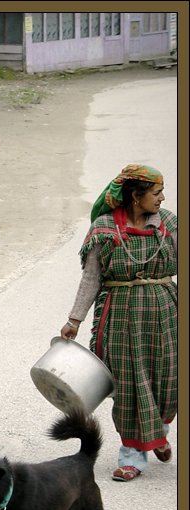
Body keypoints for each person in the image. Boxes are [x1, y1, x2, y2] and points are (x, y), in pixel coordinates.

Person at [60, 164, 177, 482]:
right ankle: (132, 456)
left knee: (168, 384)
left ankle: (159, 432)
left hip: (166, 314)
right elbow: (92, 278)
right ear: (136, 197)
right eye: (156, 193)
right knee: (128, 388)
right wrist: (75, 319)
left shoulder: (168, 224)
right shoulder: (104, 228)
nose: (162, 198)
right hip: (121, 318)